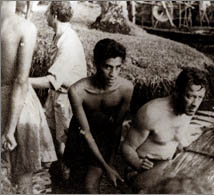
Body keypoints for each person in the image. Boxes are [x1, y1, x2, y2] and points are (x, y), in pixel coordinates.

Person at [63, 38, 134, 193]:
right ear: (95, 63)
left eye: (118, 67)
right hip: (80, 137)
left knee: (90, 187)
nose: (113, 74)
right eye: (107, 67)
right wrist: (107, 167)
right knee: (74, 184)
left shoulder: (126, 89)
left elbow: (116, 128)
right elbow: (86, 132)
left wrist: (109, 162)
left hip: (104, 138)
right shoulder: (77, 91)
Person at [1, 1, 57, 193]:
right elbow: (20, 81)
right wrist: (10, 129)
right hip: (17, 105)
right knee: (23, 177)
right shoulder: (24, 27)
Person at [29, 1, 87, 161]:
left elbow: (52, 80)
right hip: (57, 94)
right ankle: (56, 180)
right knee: (51, 141)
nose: (44, 15)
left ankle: (69, 180)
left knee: (64, 146)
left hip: (67, 98)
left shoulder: (69, 43)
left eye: (47, 12)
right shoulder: (60, 36)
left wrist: (23, 81)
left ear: (54, 15)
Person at [121, 67, 207, 172]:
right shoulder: (151, 112)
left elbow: (171, 138)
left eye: (200, 97)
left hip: (166, 165)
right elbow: (127, 147)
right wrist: (138, 163)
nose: (195, 104)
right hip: (142, 168)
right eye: (190, 96)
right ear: (177, 92)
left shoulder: (187, 110)